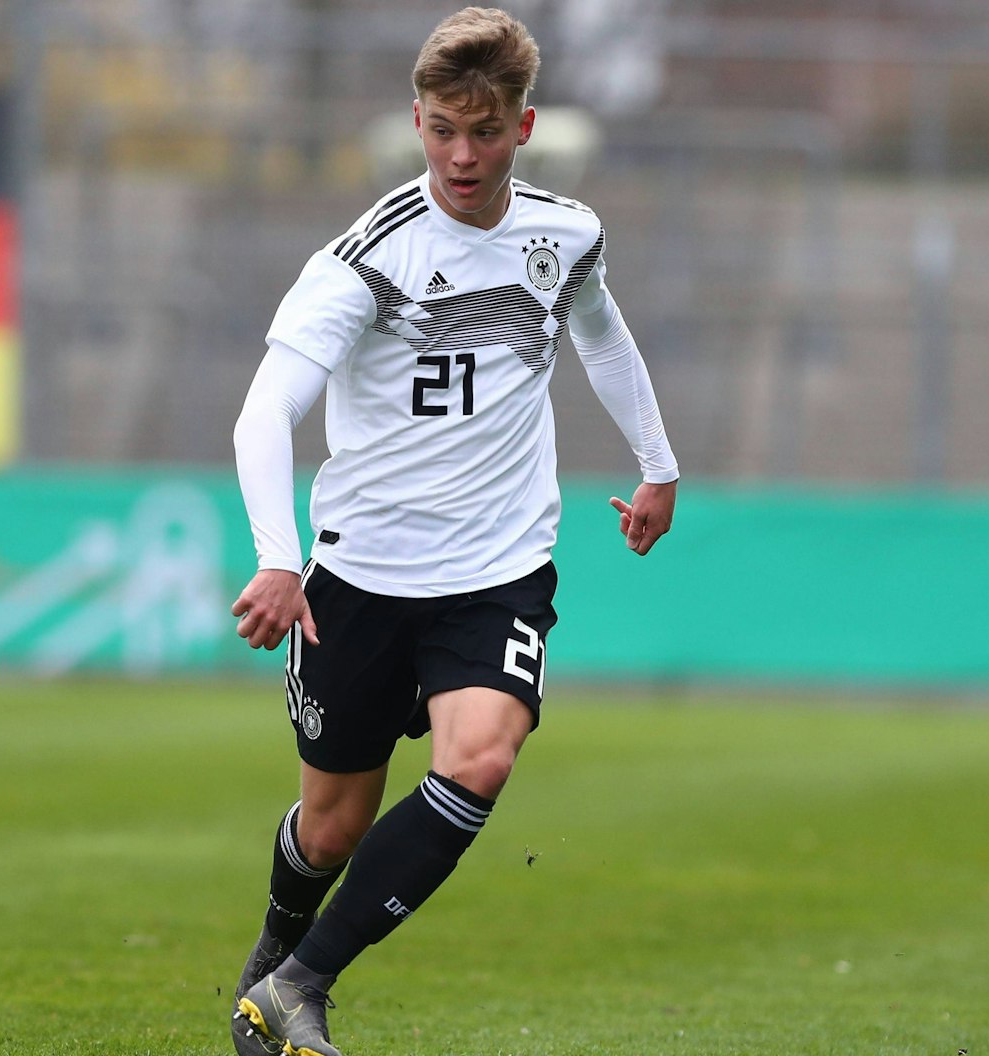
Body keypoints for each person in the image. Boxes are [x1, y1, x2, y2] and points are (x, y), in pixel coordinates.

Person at [224, 8, 680, 1054]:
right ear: (415, 120)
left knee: (480, 758)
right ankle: (274, 961)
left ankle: (301, 984)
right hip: (360, 577)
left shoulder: (564, 236)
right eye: (439, 131)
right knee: (331, 826)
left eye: (483, 132)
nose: (460, 156)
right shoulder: (362, 262)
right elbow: (264, 413)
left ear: (525, 124)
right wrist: (277, 557)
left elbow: (601, 335)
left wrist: (656, 464)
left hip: (497, 571)